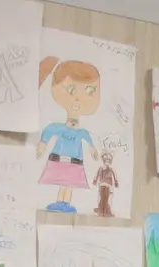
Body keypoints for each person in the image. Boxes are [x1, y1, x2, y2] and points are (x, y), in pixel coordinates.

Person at [36, 56, 101, 214]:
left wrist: (93, 149)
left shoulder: (82, 132)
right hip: (60, 160)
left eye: (90, 91)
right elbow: (48, 132)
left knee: (69, 184)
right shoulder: (59, 128)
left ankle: (65, 203)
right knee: (62, 182)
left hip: (75, 162)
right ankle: (60, 202)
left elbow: (88, 140)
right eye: (71, 89)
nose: (78, 98)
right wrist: (42, 145)